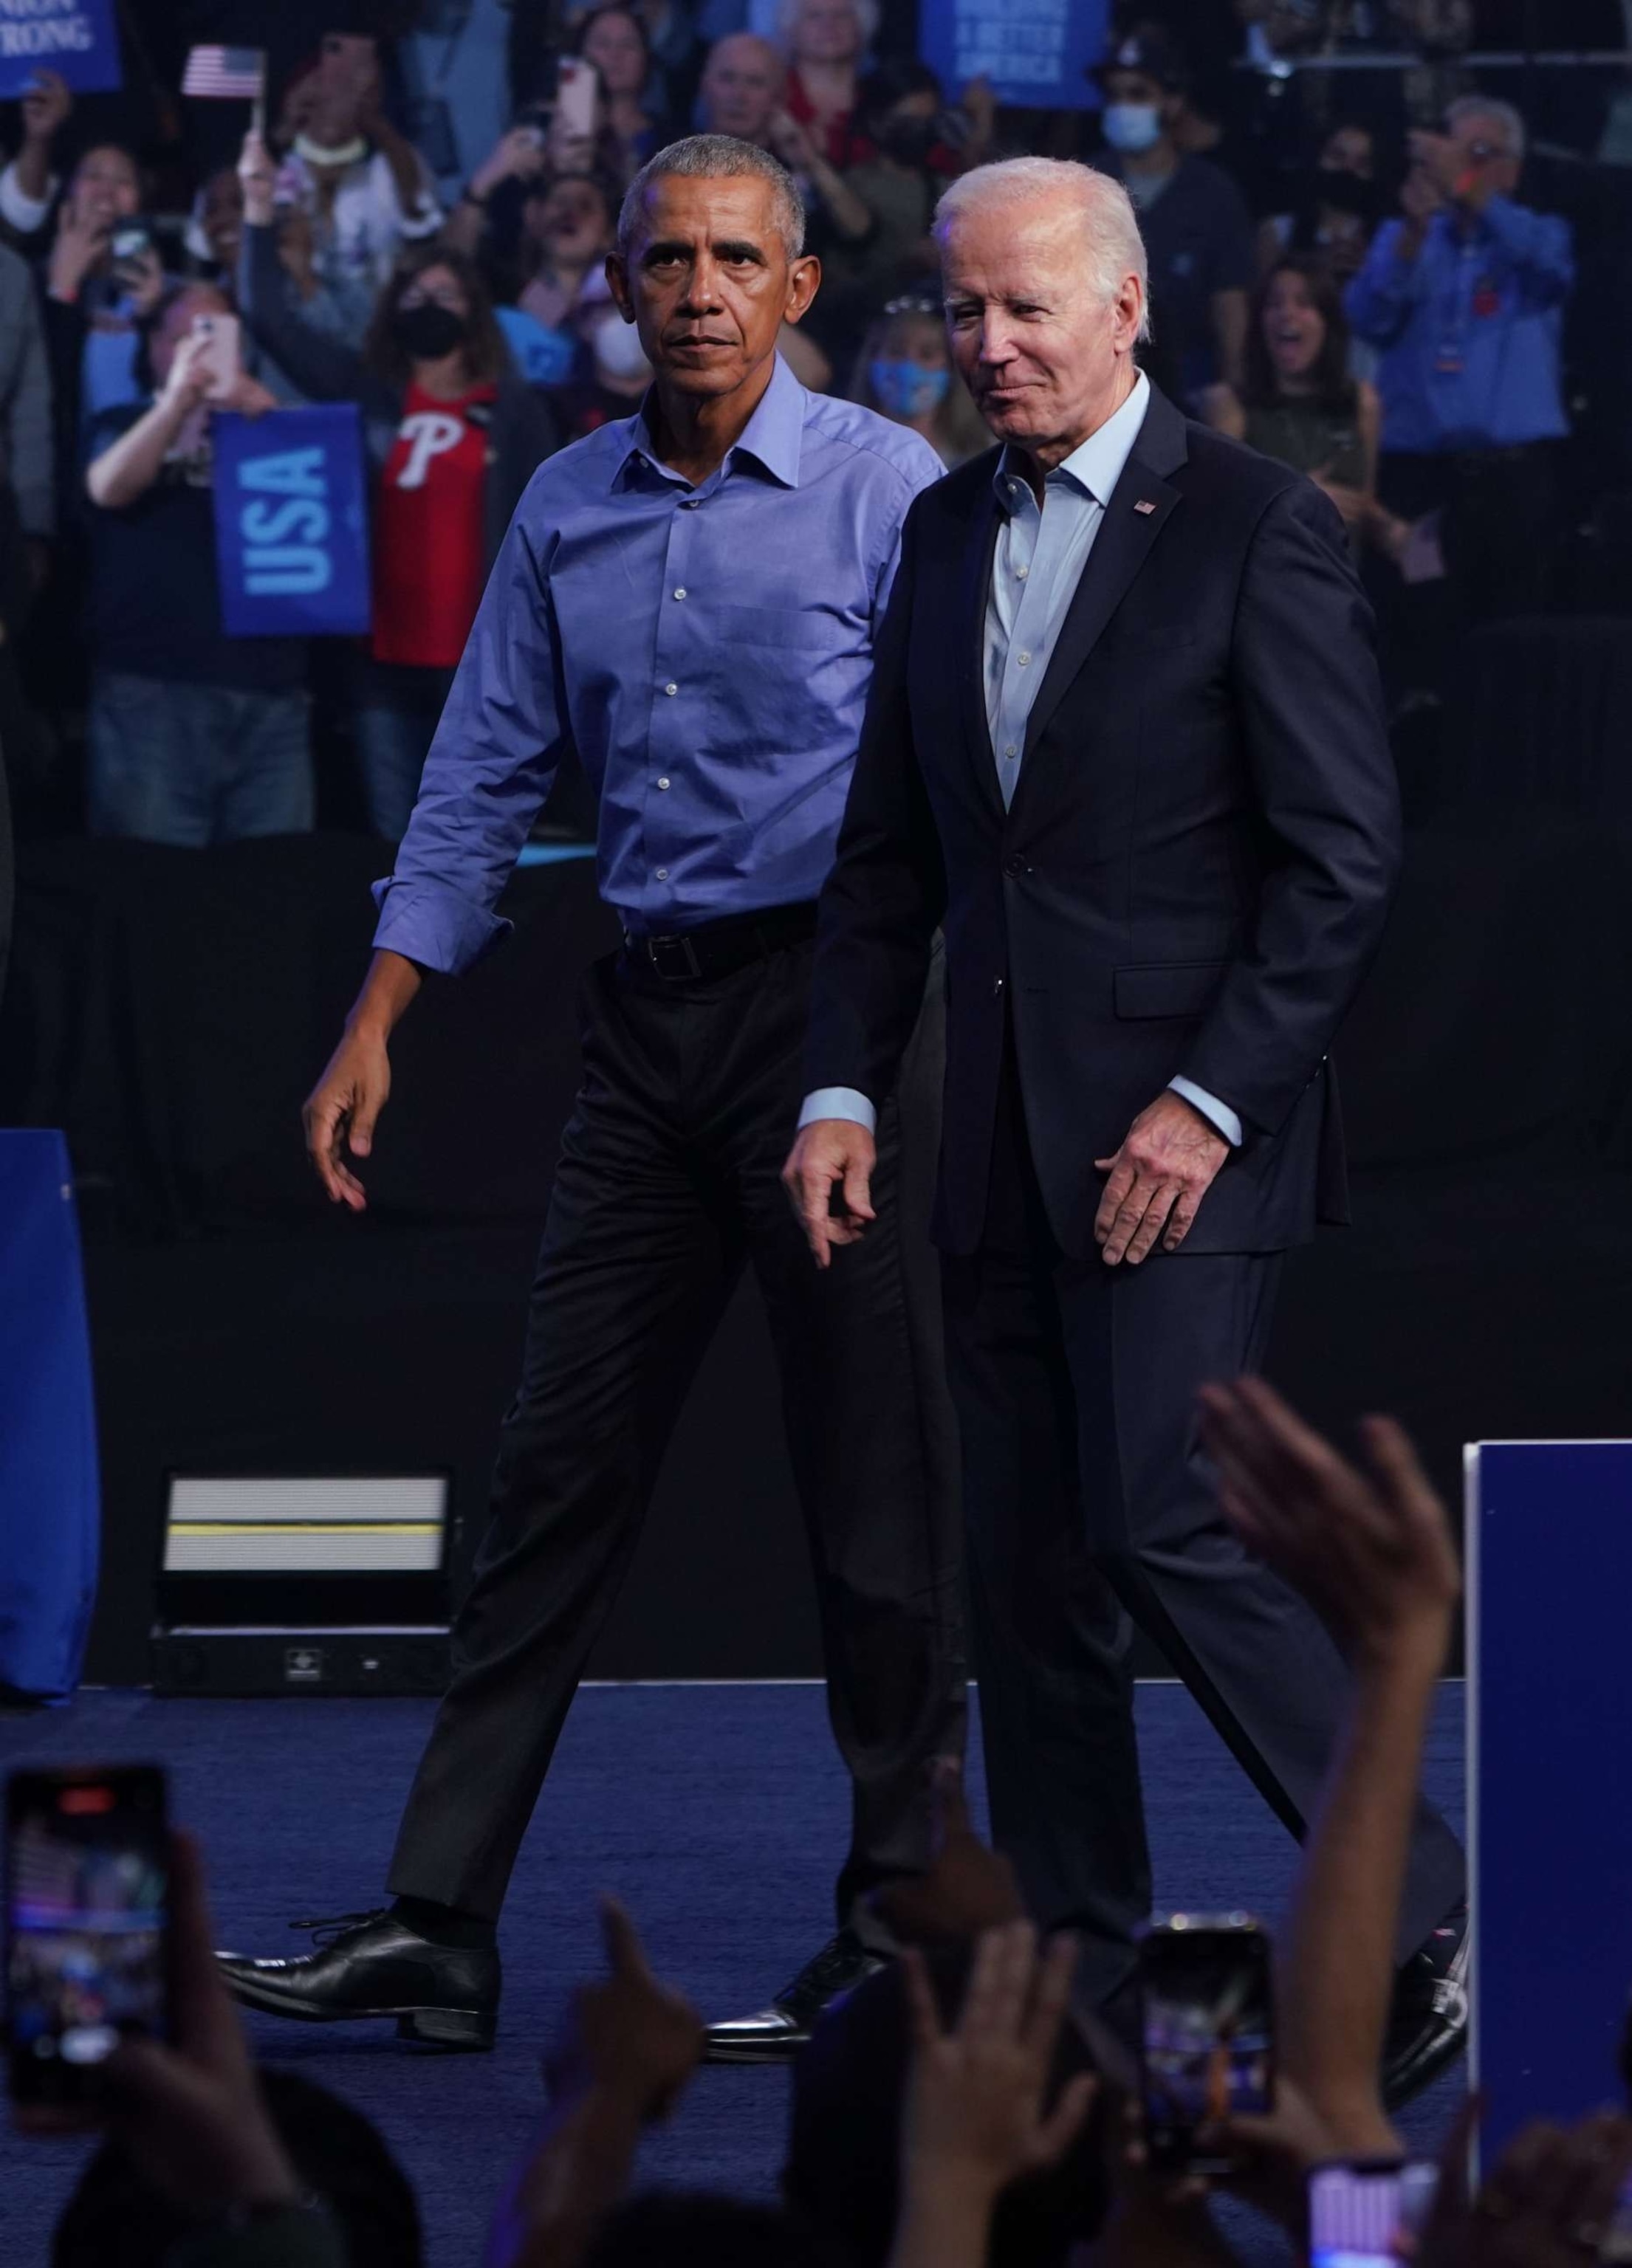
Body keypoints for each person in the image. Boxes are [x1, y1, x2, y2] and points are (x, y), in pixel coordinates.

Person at [215, 132, 965, 2065]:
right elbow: (477, 777)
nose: (699, 291)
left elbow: (961, 813)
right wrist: (377, 1012)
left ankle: (905, 1927)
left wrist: (884, 1065)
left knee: (874, 1506)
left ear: (798, 291)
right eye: (665, 261)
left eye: (736, 260)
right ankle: (441, 1924)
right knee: (549, 1482)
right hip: (642, 1041)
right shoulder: (562, 504)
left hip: (835, 1036)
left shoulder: (897, 497)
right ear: (616, 290)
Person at [783, 153, 1467, 2109]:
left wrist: (1205, 1099)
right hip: (989, 1145)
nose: (985, 344)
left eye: (1023, 309)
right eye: (959, 311)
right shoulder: (933, 535)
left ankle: (1437, 1898)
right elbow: (887, 862)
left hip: (1189, 1141)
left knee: (1166, 1517)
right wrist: (840, 1078)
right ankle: (1085, 1978)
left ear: (1126, 310)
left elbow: (1340, 863)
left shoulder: (1253, 527)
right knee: (1031, 1581)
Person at [239, 138, 558, 842]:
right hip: (380, 663)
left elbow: (549, 525)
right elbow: (268, 315)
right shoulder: (368, 392)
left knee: (475, 847)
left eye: (445, 294)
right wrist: (258, 212)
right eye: (413, 294)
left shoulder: (511, 405)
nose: (428, 304)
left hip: (478, 670)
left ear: (473, 310)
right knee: (395, 846)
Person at [81, 285, 312, 847]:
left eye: (216, 334)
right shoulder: (124, 420)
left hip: (271, 693)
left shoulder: (275, 431)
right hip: (154, 691)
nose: (201, 350)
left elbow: (330, 519)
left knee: (273, 889)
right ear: (155, 346)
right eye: (186, 335)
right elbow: (106, 487)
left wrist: (278, 425)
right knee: (153, 890)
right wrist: (176, 404)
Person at [1344, 95, 1573, 625]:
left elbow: (1552, 266)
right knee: (1425, 628)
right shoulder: (1405, 236)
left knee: (1516, 638)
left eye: (1476, 153)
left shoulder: (1539, 235)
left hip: (1513, 483)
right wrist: (1413, 234)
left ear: (1510, 170)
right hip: (1424, 482)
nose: (1456, 168)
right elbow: (1366, 318)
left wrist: (1470, 190)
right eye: (1450, 154)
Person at [1088, 25, 1254, 403]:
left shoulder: (1213, 192)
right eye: (1115, 95)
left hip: (1191, 381)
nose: (1123, 107)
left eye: (1138, 94)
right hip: (1100, 379)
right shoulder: (1086, 183)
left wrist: (1233, 383)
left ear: (1172, 103)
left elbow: (1230, 297)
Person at [1201, 257, 1388, 559]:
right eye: (1274, 304)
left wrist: (1397, 533)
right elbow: (1216, 509)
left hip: (1343, 587)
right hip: (1268, 584)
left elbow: (1363, 506)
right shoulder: (1229, 405)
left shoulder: (1362, 402)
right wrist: (1296, 497)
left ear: (1328, 322)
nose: (1287, 314)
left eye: (1304, 303)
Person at [270, 30, 445, 348]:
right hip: (299, 333)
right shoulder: (273, 172)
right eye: (318, 96)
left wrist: (376, 122)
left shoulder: (390, 165)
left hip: (383, 330)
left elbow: (421, 222)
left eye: (341, 92)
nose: (330, 104)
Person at [851, 292, 988, 469]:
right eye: (896, 352)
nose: (908, 366)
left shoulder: (983, 459)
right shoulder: (841, 453)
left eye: (927, 354)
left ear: (950, 367)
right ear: (872, 359)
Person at [778, 0, 874, 170]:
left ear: (862, 26)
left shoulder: (883, 98)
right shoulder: (771, 97)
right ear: (791, 29)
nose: (829, 25)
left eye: (841, 15)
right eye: (815, 16)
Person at [572, 7, 664, 183]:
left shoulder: (673, 140)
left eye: (628, 45)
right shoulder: (555, 131)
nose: (615, 55)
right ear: (580, 54)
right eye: (602, 44)